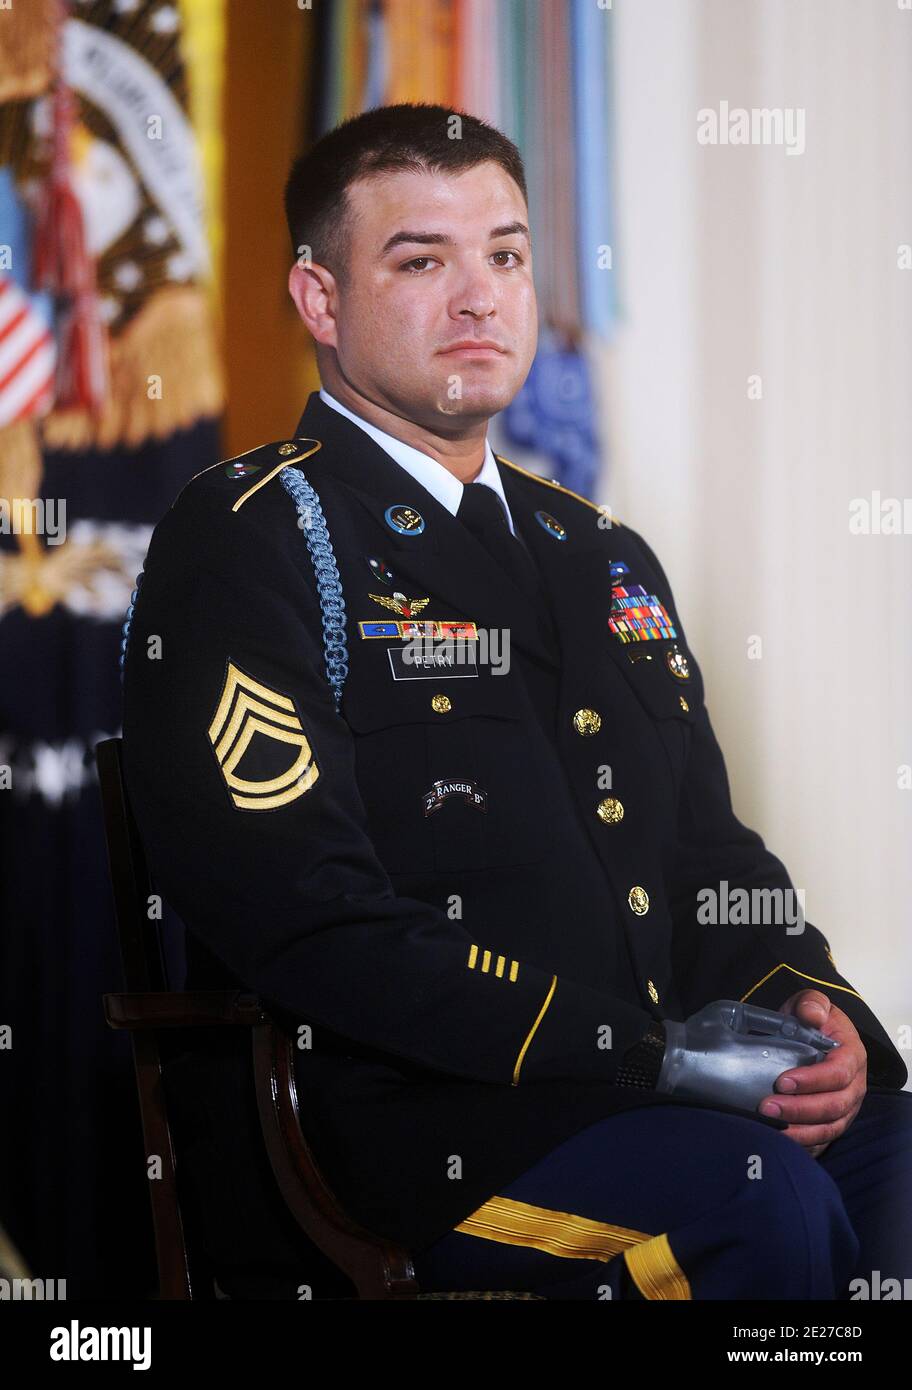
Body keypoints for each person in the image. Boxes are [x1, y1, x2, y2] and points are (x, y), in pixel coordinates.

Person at [121, 103, 910, 1301]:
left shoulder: (600, 551)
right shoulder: (255, 538)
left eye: (505, 253)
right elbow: (307, 917)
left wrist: (817, 1013)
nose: (481, 296)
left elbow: (708, 855)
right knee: (760, 1208)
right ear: (321, 301)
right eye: (422, 259)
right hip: (428, 1139)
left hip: (657, 1103)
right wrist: (644, 1056)